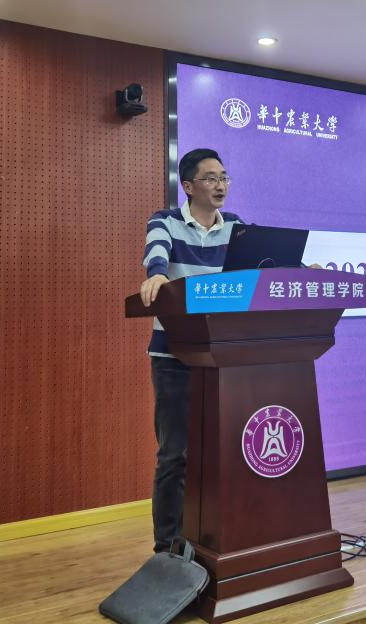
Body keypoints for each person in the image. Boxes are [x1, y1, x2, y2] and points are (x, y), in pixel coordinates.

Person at [140, 148, 242, 552]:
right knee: (175, 455)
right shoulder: (164, 221)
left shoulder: (235, 227)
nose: (221, 185)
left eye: (224, 177)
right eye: (211, 178)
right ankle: (167, 548)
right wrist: (157, 274)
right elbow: (156, 253)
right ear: (188, 186)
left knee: (221, 452)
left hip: (221, 355)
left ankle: (212, 539)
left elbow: (267, 262)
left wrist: (303, 271)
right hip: (174, 357)